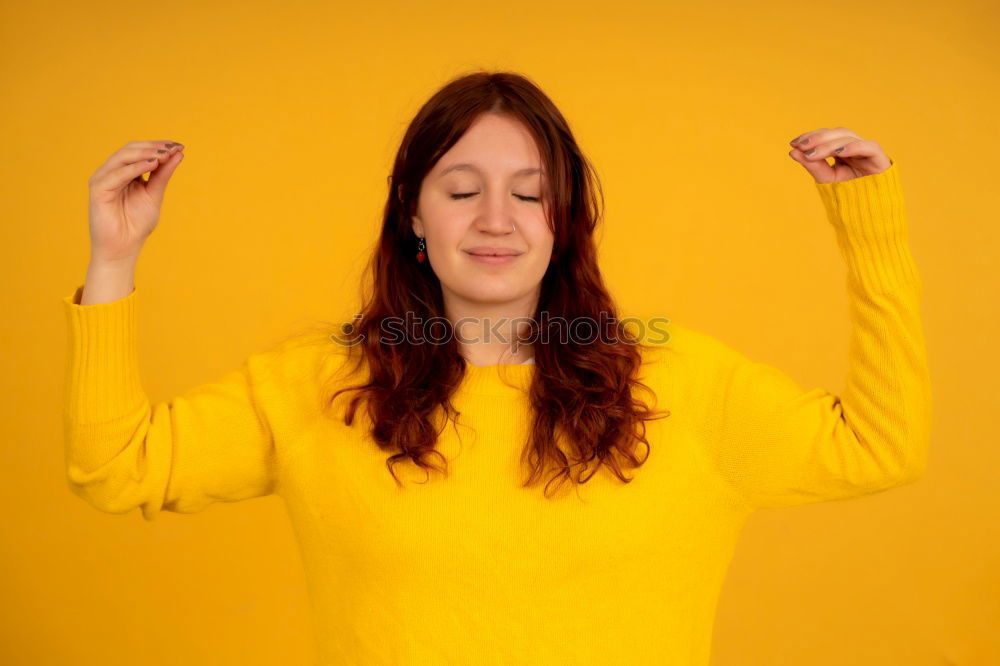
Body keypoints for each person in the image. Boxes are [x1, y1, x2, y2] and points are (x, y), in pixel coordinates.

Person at [62, 71, 931, 665]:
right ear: (414, 211)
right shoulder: (317, 384)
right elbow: (116, 466)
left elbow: (881, 445)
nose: (496, 220)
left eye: (528, 191)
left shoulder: (684, 382)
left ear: (563, 221)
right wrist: (115, 258)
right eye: (460, 187)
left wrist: (870, 226)